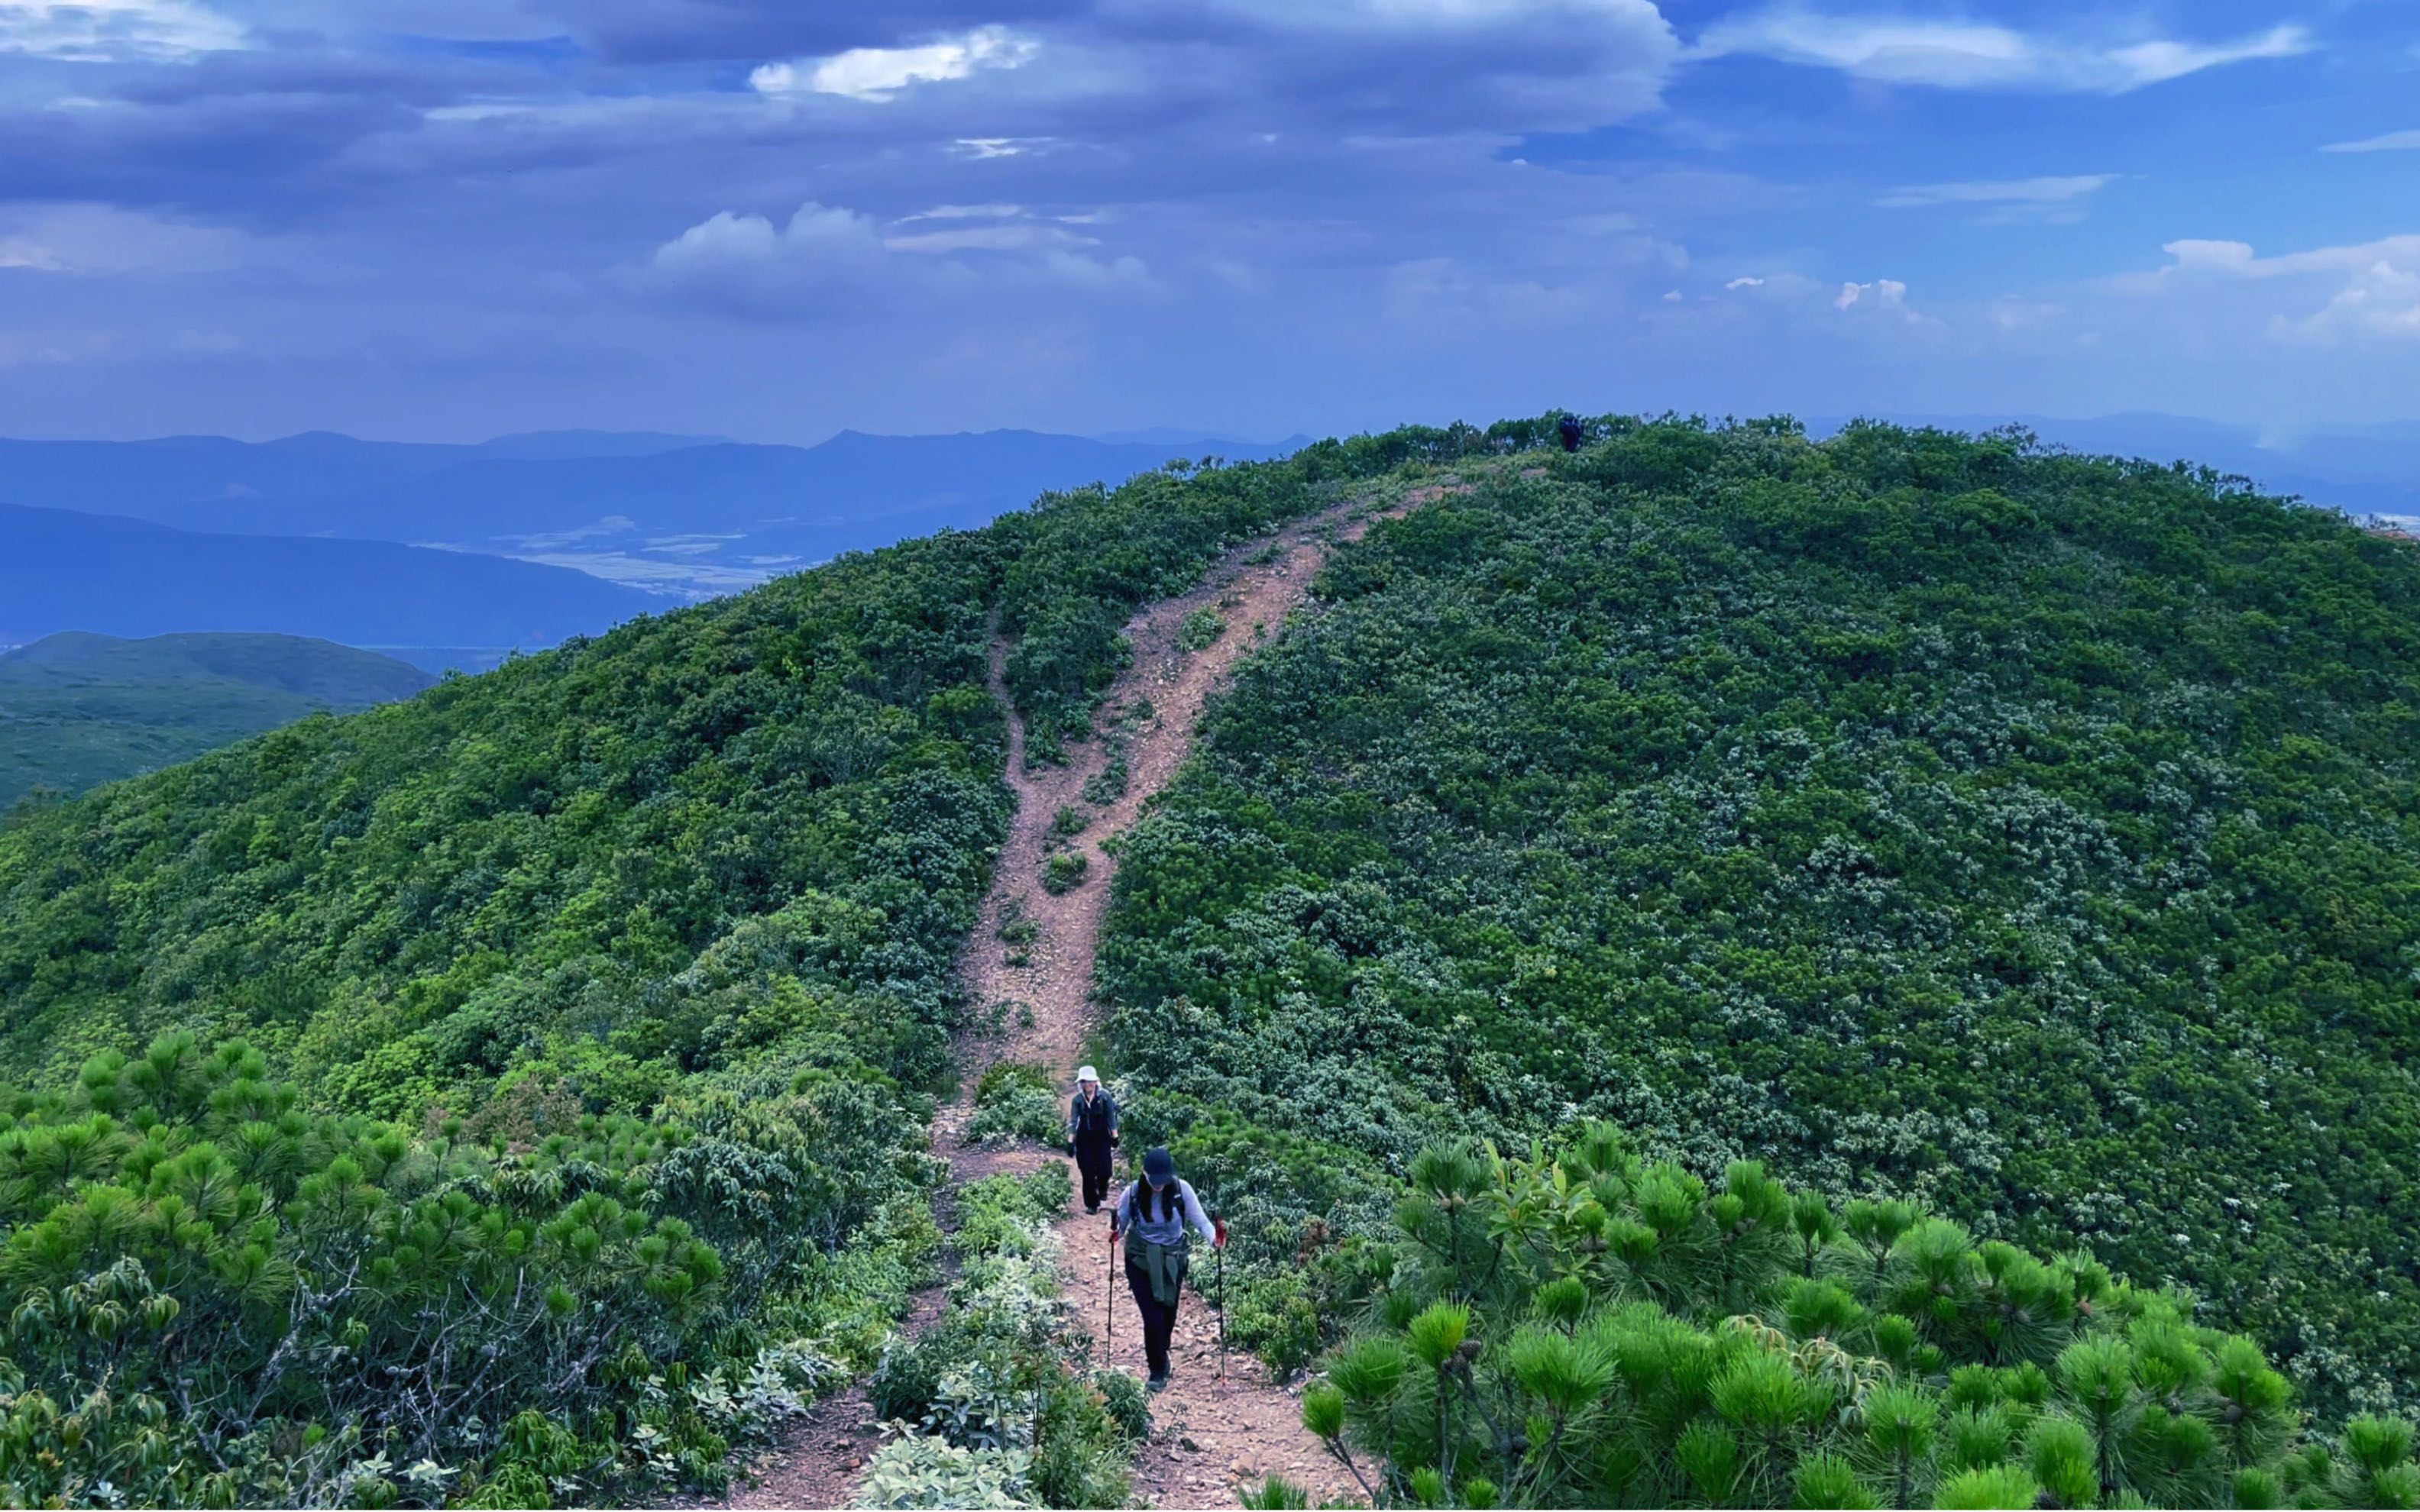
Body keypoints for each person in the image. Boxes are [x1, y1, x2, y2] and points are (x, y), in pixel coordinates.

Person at [1110, 1146, 1223, 1392]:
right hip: (1140, 1259)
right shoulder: (1133, 1193)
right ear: (1144, 1173)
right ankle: (1157, 1370)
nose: (1158, 1185)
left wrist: (1214, 1239)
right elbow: (1121, 1223)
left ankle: (1162, 1352)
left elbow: (1201, 1221)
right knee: (1152, 1317)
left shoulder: (1182, 1191)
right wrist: (1115, 1232)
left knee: (1168, 1314)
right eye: (1154, 1180)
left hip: (1173, 1259)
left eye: (1163, 1180)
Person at [1068, 1065, 1120, 1213]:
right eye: (1085, 1081)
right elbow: (1074, 1122)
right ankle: (1092, 1204)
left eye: (1090, 1081)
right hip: (1084, 1139)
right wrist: (1070, 1142)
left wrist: (1115, 1136)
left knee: (1105, 1170)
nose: (1088, 1084)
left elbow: (1111, 1118)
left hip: (1102, 1137)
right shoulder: (1078, 1100)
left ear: (1095, 1082)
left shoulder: (1105, 1097)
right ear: (1081, 1083)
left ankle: (1103, 1189)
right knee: (1087, 1171)